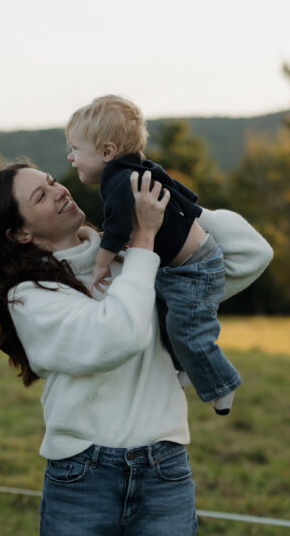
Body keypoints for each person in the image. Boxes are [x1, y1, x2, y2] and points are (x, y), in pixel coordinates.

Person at [0, 161, 271, 535]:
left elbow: (251, 253)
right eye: (41, 195)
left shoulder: (136, 258)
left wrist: (170, 204)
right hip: (82, 477)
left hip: (164, 470)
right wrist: (143, 238)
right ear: (20, 233)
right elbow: (120, 335)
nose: (60, 190)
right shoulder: (29, 296)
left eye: (53, 181)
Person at [65, 94, 241, 414]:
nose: (70, 157)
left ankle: (221, 384)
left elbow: (117, 231)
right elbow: (173, 191)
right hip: (180, 265)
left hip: (195, 268)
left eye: (76, 149)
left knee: (185, 327)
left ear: (107, 152)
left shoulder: (117, 181)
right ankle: (185, 366)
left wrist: (100, 267)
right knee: (163, 317)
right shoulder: (134, 169)